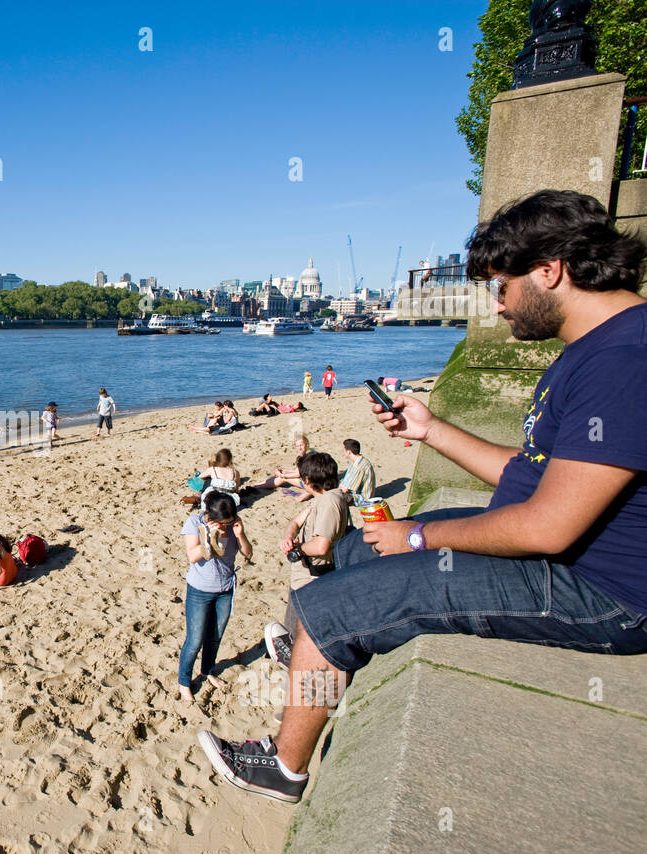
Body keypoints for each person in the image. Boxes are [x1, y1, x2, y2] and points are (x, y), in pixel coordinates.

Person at [198, 188, 647, 804]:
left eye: (502, 285)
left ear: (550, 270)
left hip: (606, 592)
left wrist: (418, 535)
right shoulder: (598, 347)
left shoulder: (624, 358)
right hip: (578, 561)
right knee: (355, 553)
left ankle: (284, 768)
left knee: (334, 610)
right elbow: (534, 474)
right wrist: (432, 429)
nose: (497, 304)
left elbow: (549, 525)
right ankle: (314, 661)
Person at [261, 451, 351, 669]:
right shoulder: (325, 499)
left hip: (311, 576)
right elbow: (296, 521)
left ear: (308, 480)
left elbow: (321, 545)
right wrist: (288, 537)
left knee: (299, 629)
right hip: (306, 574)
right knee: (295, 623)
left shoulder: (329, 502)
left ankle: (295, 662)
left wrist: (299, 550)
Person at [178, 493, 252, 701]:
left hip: (225, 589)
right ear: (211, 516)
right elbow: (193, 556)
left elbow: (248, 553)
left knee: (215, 636)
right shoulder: (195, 522)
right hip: (199, 590)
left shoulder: (233, 525)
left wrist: (240, 535)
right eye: (224, 522)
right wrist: (210, 539)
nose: (226, 525)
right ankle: (184, 682)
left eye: (229, 521)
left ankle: (207, 671)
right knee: (195, 640)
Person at [338, 438, 377, 505]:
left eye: (344, 449)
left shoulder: (359, 467)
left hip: (361, 498)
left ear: (349, 451)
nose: (342, 451)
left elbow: (346, 489)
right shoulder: (357, 461)